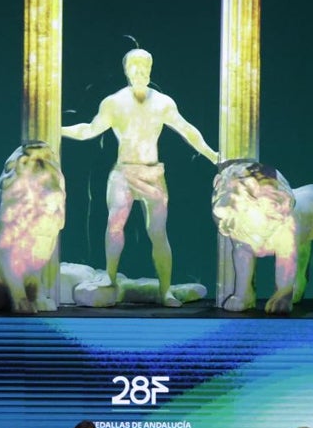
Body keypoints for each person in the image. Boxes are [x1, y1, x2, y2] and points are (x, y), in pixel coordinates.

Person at [61, 47, 218, 307]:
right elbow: (89, 129)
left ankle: (166, 290)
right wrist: (58, 129)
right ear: (126, 71)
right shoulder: (114, 103)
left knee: (158, 232)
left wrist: (212, 155)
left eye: (144, 67)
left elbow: (187, 130)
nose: (140, 72)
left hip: (152, 173)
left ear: (151, 70)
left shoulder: (163, 103)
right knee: (115, 224)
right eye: (134, 67)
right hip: (123, 173)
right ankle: (110, 278)